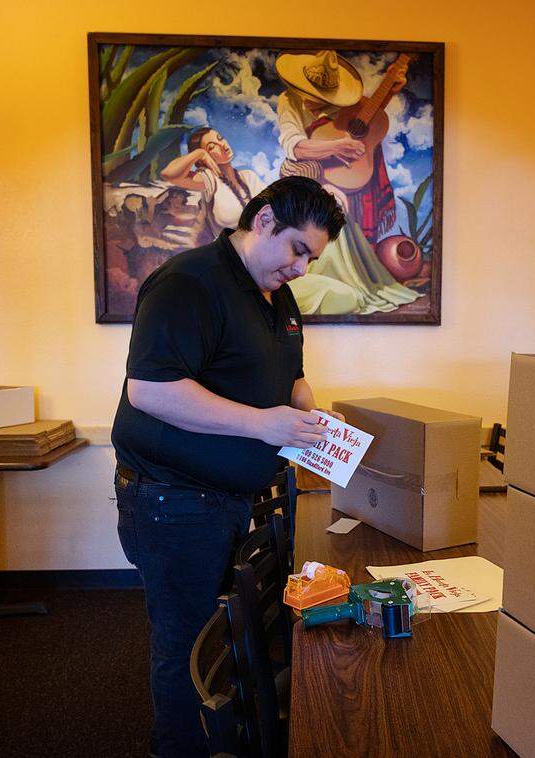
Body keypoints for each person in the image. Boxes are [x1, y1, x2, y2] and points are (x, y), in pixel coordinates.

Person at [111, 176, 346, 757]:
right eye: (297, 249)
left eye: (311, 258)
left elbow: (288, 375)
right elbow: (151, 391)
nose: (301, 268)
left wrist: (307, 411)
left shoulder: (277, 295)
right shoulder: (189, 282)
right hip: (173, 500)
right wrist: (263, 424)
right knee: (186, 646)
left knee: (218, 641)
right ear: (263, 219)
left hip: (229, 497)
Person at [274, 50, 420, 315]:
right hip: (309, 176)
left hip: (345, 178)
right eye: (317, 96)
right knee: (321, 217)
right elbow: (294, 147)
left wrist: (387, 92)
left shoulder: (342, 99)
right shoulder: (289, 101)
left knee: (342, 217)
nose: (323, 102)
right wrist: (334, 147)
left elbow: (360, 120)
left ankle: (353, 279)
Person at [160, 127, 267, 243]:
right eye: (211, 147)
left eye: (220, 138)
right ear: (203, 159)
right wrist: (199, 153)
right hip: (231, 254)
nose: (222, 145)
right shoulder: (210, 180)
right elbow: (168, 174)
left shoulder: (249, 176)